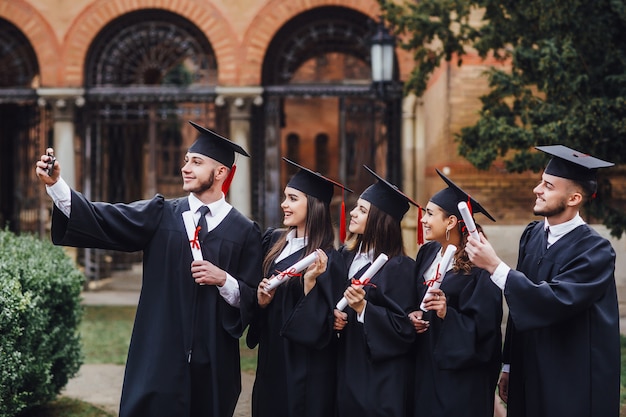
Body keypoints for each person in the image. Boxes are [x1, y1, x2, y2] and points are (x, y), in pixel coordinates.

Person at [35, 121, 263, 417]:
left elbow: (253, 300)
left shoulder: (245, 232)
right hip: (159, 356)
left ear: (220, 172)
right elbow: (104, 218)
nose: (185, 168)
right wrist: (57, 186)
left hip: (214, 364)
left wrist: (224, 281)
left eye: (196, 162)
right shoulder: (162, 214)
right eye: (185, 161)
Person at [465, 145, 620, 417]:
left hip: (569, 377)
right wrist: (509, 365)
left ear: (573, 198)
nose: (537, 189)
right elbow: (518, 308)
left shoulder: (595, 251)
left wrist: (494, 266)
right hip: (529, 368)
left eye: (548, 185)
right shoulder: (533, 234)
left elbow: (554, 301)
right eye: (541, 182)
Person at [246, 158, 349, 417]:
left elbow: (326, 324)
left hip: (305, 364)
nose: (284, 204)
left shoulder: (328, 259)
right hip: (272, 354)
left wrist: (309, 283)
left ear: (313, 206)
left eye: (292, 198)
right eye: (285, 197)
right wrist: (260, 301)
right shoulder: (274, 242)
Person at [408, 169, 502, 417]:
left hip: (459, 377)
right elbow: (414, 300)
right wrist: (414, 314)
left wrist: (446, 313)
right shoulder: (427, 254)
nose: (423, 220)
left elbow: (486, 331)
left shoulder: (479, 267)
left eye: (429, 214)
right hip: (425, 366)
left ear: (451, 221)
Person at [333, 165, 418, 417]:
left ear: (380, 220)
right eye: (356, 207)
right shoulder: (344, 257)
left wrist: (363, 309)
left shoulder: (401, 268)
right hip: (345, 364)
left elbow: (403, 330)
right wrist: (333, 317)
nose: (353, 213)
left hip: (380, 377)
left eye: (362, 209)